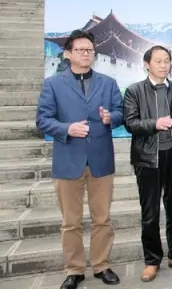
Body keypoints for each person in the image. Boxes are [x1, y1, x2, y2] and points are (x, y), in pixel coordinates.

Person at [35, 30, 123, 289]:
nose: (86, 54)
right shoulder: (53, 84)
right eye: (80, 50)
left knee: (102, 218)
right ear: (68, 53)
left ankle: (101, 265)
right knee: (70, 222)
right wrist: (67, 129)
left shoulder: (108, 83)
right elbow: (43, 120)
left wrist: (110, 118)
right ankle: (74, 270)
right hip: (68, 160)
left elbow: (120, 112)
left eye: (90, 50)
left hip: (100, 160)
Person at [123, 45, 172, 282]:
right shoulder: (134, 91)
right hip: (148, 159)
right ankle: (152, 260)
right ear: (147, 64)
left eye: (167, 60)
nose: (164, 65)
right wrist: (155, 124)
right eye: (158, 61)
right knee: (150, 213)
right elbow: (130, 123)